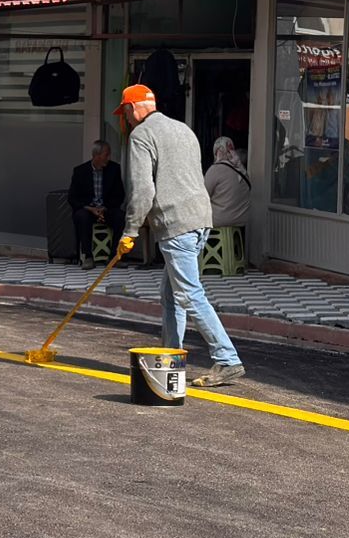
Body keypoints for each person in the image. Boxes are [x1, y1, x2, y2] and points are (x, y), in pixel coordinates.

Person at [115, 83, 245, 385]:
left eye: (125, 113)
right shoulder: (183, 130)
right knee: (171, 294)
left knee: (188, 293)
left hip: (176, 225)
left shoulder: (141, 135)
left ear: (132, 109)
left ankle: (227, 359)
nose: (126, 119)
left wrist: (130, 230)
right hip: (200, 220)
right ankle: (170, 356)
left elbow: (143, 189)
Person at [67, 140, 126, 269]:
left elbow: (120, 195)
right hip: (88, 209)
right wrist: (90, 208)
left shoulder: (114, 169)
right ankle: (88, 256)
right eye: (106, 155)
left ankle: (114, 256)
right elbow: (72, 198)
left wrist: (104, 208)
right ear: (97, 155)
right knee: (82, 217)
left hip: (106, 208)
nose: (108, 158)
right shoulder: (80, 171)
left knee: (120, 217)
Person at [204, 137, 250, 229]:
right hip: (241, 221)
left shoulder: (215, 169)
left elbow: (204, 196)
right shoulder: (242, 171)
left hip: (220, 221)